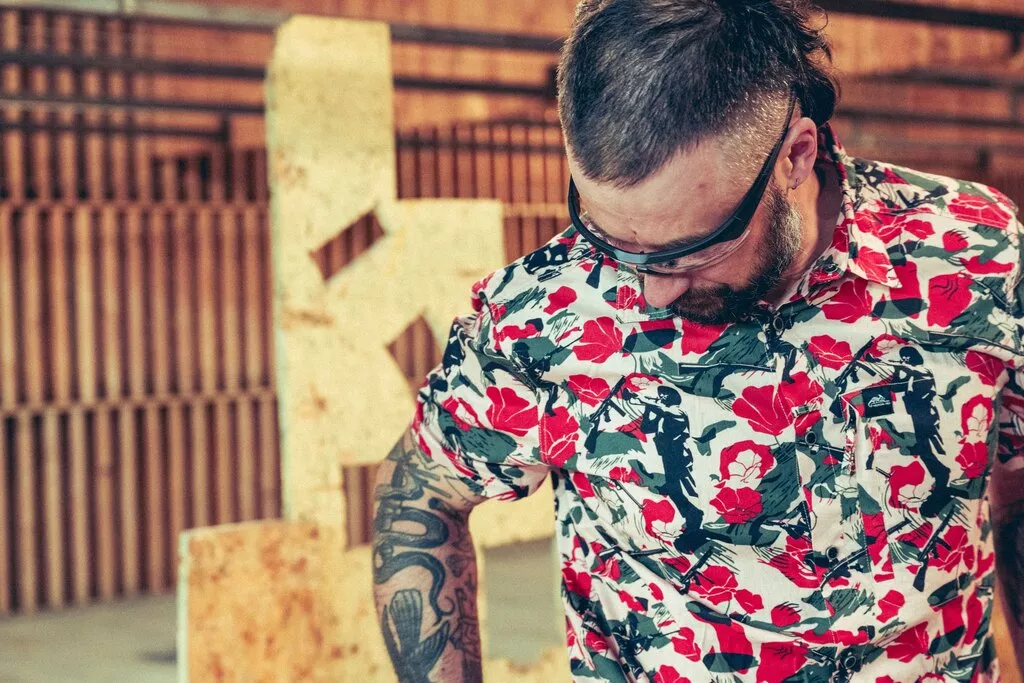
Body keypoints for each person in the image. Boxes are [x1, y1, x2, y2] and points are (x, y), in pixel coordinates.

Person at [371, 0, 1024, 680]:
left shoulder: (971, 251)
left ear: (796, 155)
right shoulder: (545, 313)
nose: (650, 290)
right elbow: (421, 495)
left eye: (691, 249)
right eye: (610, 237)